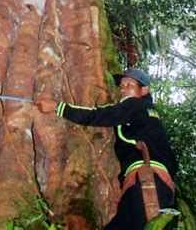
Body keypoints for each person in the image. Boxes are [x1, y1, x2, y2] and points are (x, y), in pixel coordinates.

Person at [35, 67, 177, 229]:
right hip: (152, 183)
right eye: (121, 86)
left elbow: (98, 115)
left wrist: (58, 107)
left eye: (129, 85)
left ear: (144, 90)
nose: (122, 89)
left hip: (146, 181)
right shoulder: (150, 115)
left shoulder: (135, 105)